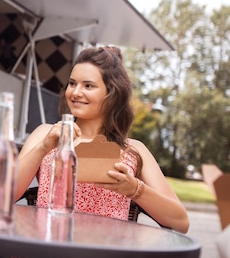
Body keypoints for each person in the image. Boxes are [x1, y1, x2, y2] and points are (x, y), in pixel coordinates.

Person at [14, 46, 190, 233]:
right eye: (72, 83)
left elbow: (181, 222)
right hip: (46, 252)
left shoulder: (133, 150)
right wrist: (44, 147)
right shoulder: (46, 134)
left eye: (88, 85)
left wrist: (134, 189)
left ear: (112, 93)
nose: (75, 92)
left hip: (103, 254)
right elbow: (3, 196)